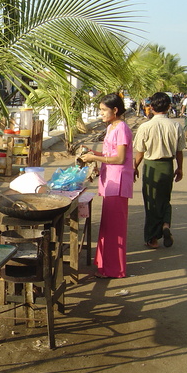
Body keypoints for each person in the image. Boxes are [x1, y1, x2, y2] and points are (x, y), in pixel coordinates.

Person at [80, 93, 134, 279]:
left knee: (115, 229)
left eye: (104, 110)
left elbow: (119, 158)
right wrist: (92, 152)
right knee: (108, 226)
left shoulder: (122, 128)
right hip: (110, 181)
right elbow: (108, 153)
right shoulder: (112, 127)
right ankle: (104, 265)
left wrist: (95, 157)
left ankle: (114, 269)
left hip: (118, 182)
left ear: (115, 110)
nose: (101, 113)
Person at [133, 92, 185, 249]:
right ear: (169, 107)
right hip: (168, 166)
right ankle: (166, 225)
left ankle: (152, 238)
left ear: (151, 107)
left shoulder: (145, 127)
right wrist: (180, 168)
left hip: (151, 166)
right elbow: (179, 151)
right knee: (165, 199)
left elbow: (140, 152)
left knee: (151, 202)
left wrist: (134, 167)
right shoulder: (176, 126)